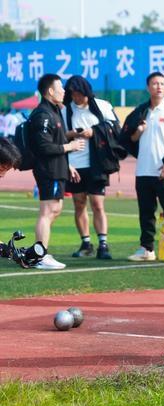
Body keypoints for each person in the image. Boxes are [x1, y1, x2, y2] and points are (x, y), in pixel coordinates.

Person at [124, 72, 164, 264]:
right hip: (143, 170)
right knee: (146, 212)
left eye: (162, 84)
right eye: (155, 83)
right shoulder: (141, 112)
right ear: (148, 87)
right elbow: (130, 139)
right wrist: (138, 131)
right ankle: (147, 248)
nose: (159, 87)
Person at [30, 74, 85, 270]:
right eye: (60, 87)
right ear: (50, 91)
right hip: (49, 170)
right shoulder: (43, 114)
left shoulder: (54, 112)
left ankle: (39, 251)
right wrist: (70, 147)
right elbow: (44, 146)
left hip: (57, 168)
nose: (64, 91)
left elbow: (55, 142)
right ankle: (39, 256)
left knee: (55, 209)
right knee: (48, 211)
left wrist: (67, 165)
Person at [62, 75, 118, 260]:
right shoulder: (66, 110)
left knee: (97, 204)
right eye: (73, 94)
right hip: (75, 164)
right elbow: (59, 135)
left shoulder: (102, 106)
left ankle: (103, 244)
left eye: (79, 94)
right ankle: (86, 243)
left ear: (87, 92)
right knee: (79, 203)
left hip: (97, 163)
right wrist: (72, 134)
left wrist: (94, 132)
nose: (76, 98)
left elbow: (115, 128)